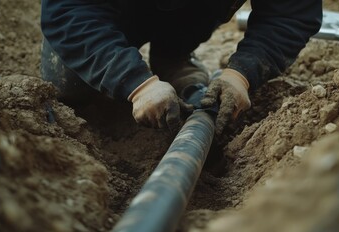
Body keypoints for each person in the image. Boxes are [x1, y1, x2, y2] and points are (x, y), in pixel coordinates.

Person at [40, 0, 322, 134]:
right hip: (109, 10)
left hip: (191, 12)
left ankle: (173, 56)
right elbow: (69, 10)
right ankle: (115, 56)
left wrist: (243, 74)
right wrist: (135, 83)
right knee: (72, 85)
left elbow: (290, 15)